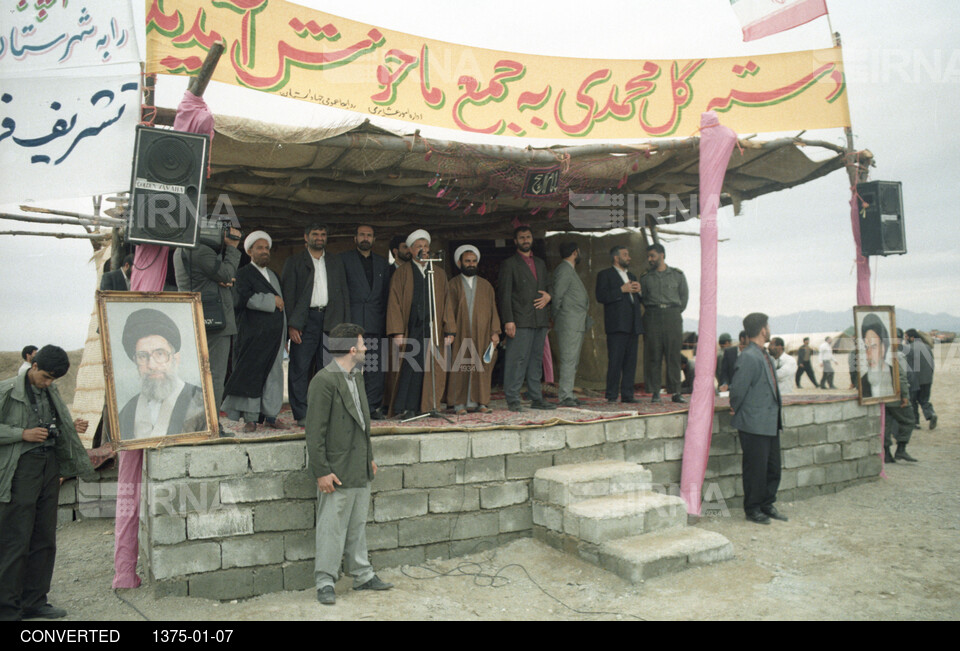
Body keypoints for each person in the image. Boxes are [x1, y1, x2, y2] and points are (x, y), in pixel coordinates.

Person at [0, 345, 95, 620]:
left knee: (44, 538)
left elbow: (53, 423)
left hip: (48, 467)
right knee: (15, 539)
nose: (48, 383)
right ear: (34, 365)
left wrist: (69, 426)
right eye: (45, 377)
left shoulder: (50, 391)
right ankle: (7, 608)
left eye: (53, 379)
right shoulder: (6, 391)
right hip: (20, 470)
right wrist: (22, 434)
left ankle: (35, 601)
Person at [306, 323, 393, 605]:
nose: (366, 348)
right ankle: (325, 582)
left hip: (358, 466)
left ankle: (363, 575)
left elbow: (362, 423)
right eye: (363, 344)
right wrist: (322, 472)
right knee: (332, 527)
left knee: (357, 526)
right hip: (337, 470)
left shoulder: (356, 377)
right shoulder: (324, 380)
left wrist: (369, 458)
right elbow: (314, 432)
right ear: (352, 349)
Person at [282, 223, 351, 426]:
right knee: (300, 368)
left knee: (329, 369)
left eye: (322, 234)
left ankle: (326, 412)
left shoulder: (335, 261)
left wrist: (344, 326)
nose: (319, 237)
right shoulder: (294, 262)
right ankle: (302, 414)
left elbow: (344, 294)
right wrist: (292, 325)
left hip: (330, 319)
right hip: (305, 321)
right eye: (315, 234)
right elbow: (289, 295)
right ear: (306, 237)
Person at [173, 224, 242, 427]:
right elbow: (227, 274)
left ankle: (198, 423)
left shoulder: (180, 251)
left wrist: (221, 278)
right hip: (215, 321)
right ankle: (211, 425)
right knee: (215, 375)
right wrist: (232, 247)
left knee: (197, 374)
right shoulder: (200, 251)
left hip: (195, 316)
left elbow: (218, 277)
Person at [221, 232, 289, 433]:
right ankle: (250, 419)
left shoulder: (274, 275)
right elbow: (242, 299)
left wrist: (283, 336)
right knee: (251, 375)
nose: (264, 252)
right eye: (259, 248)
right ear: (249, 251)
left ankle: (271, 416)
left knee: (274, 376)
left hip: (275, 337)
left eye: (267, 248)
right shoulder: (243, 274)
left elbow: (283, 308)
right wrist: (271, 300)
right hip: (252, 337)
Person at [385, 230, 454, 418]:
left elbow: (447, 303)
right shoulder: (402, 273)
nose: (423, 250)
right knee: (411, 367)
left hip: (433, 328)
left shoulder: (438, 273)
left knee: (432, 368)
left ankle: (429, 406)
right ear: (411, 250)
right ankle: (406, 408)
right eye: (418, 247)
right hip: (412, 327)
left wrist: (449, 330)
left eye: (425, 247)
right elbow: (395, 303)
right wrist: (397, 331)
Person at [729, 313, 786, 525]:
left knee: (773, 468)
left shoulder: (764, 355)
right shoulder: (749, 357)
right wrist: (738, 409)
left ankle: (767, 504)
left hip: (770, 422)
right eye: (768, 325)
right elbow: (737, 391)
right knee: (755, 470)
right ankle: (752, 508)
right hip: (753, 423)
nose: (769, 329)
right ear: (763, 329)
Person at [118, 309, 206, 439]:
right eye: (142, 356)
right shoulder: (127, 412)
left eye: (160, 354)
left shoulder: (201, 402)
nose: (152, 365)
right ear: (136, 363)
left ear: (175, 359)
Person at [498, 225, 554, 412]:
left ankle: (536, 398)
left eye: (528, 237)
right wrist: (508, 320)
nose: (525, 240)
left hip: (539, 319)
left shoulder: (540, 263)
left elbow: (548, 286)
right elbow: (504, 294)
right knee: (517, 360)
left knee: (536, 360)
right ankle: (513, 399)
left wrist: (549, 296)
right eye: (521, 237)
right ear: (515, 241)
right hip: (520, 320)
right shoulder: (510, 264)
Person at [341, 225, 392, 420]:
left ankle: (371, 408)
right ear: (355, 238)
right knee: (350, 368)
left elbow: (386, 294)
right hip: (351, 323)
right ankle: (350, 408)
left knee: (374, 368)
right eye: (361, 234)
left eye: (369, 235)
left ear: (374, 239)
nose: (365, 238)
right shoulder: (343, 260)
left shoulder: (382, 263)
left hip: (375, 322)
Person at [445, 245, 500, 415]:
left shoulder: (486, 286)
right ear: (459, 262)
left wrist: (495, 331)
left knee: (481, 368)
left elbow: (492, 310)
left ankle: (481, 402)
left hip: (482, 334)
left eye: (474, 261)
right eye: (467, 261)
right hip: (460, 334)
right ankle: (459, 404)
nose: (471, 264)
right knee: (460, 367)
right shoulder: (452, 284)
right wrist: (450, 332)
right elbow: (447, 311)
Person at [640, 243, 688, 404]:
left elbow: (684, 299)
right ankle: (655, 392)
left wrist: (672, 311)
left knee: (673, 355)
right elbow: (644, 298)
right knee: (653, 355)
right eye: (648, 256)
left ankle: (676, 392)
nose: (650, 259)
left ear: (662, 255)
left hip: (672, 316)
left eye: (652, 255)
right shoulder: (646, 277)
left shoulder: (677, 275)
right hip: (652, 316)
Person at [595, 245, 643, 403]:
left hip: (633, 325)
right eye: (625, 254)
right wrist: (621, 290)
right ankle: (612, 395)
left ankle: (628, 395)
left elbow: (639, 299)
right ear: (616, 258)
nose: (629, 257)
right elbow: (600, 296)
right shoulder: (605, 275)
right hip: (616, 325)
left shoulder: (633, 275)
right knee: (615, 361)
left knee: (630, 362)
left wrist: (639, 291)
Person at [551, 242, 590, 407]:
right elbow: (557, 296)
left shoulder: (569, 270)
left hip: (575, 322)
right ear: (576, 252)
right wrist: (555, 317)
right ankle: (565, 395)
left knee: (572, 360)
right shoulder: (564, 270)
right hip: (568, 321)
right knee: (568, 359)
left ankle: (568, 392)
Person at [884, 329, 917, 463]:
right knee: (909, 420)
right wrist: (905, 396)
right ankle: (901, 450)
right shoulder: (896, 355)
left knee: (886, 424)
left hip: (881, 394)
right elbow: (901, 377)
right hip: (895, 395)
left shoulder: (881, 353)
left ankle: (886, 454)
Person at [905, 329, 937, 430]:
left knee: (912, 401)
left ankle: (915, 423)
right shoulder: (927, 347)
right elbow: (932, 364)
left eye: (906, 337)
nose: (905, 339)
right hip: (927, 380)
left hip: (914, 381)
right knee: (924, 400)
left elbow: (907, 367)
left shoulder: (908, 348)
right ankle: (931, 414)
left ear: (911, 337)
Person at [859, 314, 895, 399]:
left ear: (883, 348)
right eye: (866, 348)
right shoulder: (863, 381)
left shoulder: (895, 375)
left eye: (873, 347)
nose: (869, 355)